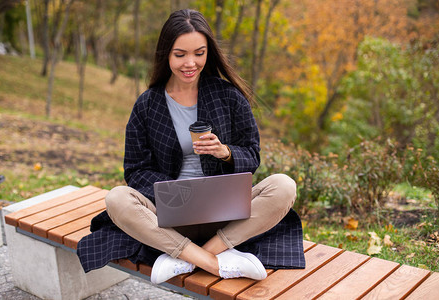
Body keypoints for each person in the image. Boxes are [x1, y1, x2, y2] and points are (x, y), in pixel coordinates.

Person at [77, 9, 305, 284]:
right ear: (166, 54)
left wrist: (226, 152)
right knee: (116, 199)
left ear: (209, 52)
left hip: (224, 215)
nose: (191, 62)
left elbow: (252, 154)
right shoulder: (148, 105)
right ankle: (215, 261)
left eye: (199, 53)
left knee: (284, 186)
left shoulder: (228, 96)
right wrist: (175, 194)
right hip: (169, 214)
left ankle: (190, 256)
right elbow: (135, 170)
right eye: (180, 54)